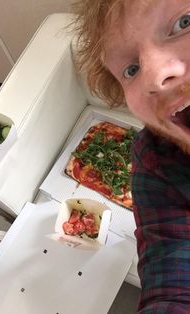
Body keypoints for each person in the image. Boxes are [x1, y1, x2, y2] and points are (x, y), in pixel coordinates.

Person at [71, 0, 190, 313]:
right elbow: (172, 281)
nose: (153, 77)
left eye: (184, 22)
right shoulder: (155, 161)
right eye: (131, 69)